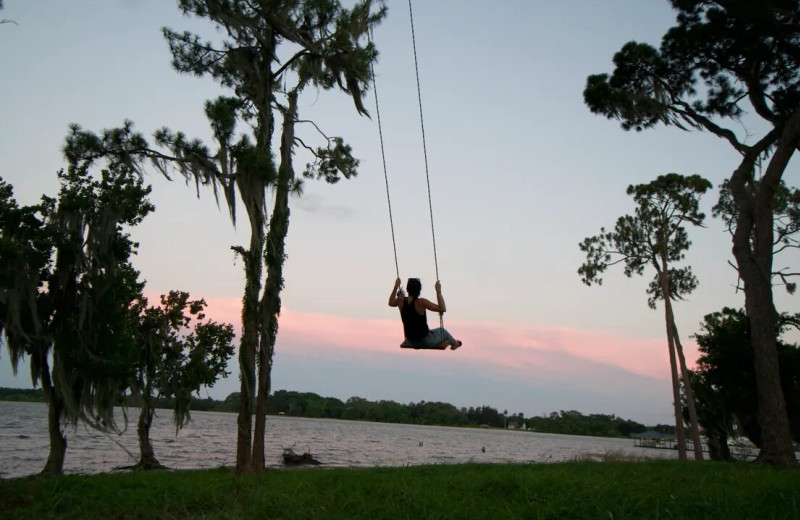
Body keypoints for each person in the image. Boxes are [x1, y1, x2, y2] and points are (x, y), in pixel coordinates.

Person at [388, 277, 462, 350]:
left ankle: (437, 337)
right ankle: (455, 344)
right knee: (442, 331)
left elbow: (391, 303)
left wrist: (395, 287)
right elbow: (442, 308)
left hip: (411, 342)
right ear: (419, 290)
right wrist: (438, 292)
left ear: (407, 289)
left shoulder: (400, 300)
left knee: (430, 332)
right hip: (425, 341)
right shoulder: (421, 302)